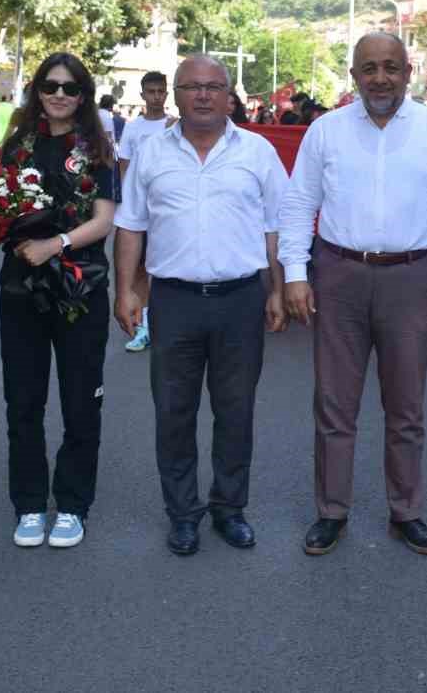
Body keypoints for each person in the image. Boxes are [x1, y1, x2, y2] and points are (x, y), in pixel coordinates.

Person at [281, 31, 427, 557]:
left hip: (412, 279)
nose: (381, 78)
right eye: (369, 68)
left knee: (406, 406)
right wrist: (295, 273)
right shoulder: (325, 131)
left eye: (391, 67)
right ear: (354, 76)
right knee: (334, 404)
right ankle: (332, 511)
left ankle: (406, 511)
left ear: (408, 73)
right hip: (338, 275)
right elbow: (298, 204)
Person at [113, 55, 290, 556]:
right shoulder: (151, 152)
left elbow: (276, 226)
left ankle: (229, 509)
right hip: (174, 302)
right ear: (176, 95)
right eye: (193, 87)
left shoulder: (257, 151)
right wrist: (125, 290)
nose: (204, 95)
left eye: (214, 86)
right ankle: (183, 514)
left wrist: (278, 290)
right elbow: (131, 225)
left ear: (230, 96)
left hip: (240, 300)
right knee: (173, 413)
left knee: (236, 411)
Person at [0, 54, 117, 549]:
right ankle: (28, 504)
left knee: (80, 403)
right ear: (37, 91)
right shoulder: (15, 146)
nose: (60, 95)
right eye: (50, 86)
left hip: (79, 290)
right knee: (23, 402)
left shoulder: (98, 148)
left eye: (70, 88)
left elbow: (103, 220)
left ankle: (71, 504)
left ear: (83, 95)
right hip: (20, 291)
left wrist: (56, 244)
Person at [116, 71, 174, 354]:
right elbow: (125, 170)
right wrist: (127, 206)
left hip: (166, 209)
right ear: (142, 95)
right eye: (151, 91)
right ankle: (143, 326)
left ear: (167, 93)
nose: (156, 96)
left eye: (161, 91)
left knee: (165, 268)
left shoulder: (175, 125)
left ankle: (166, 323)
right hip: (141, 211)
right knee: (139, 269)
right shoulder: (133, 129)